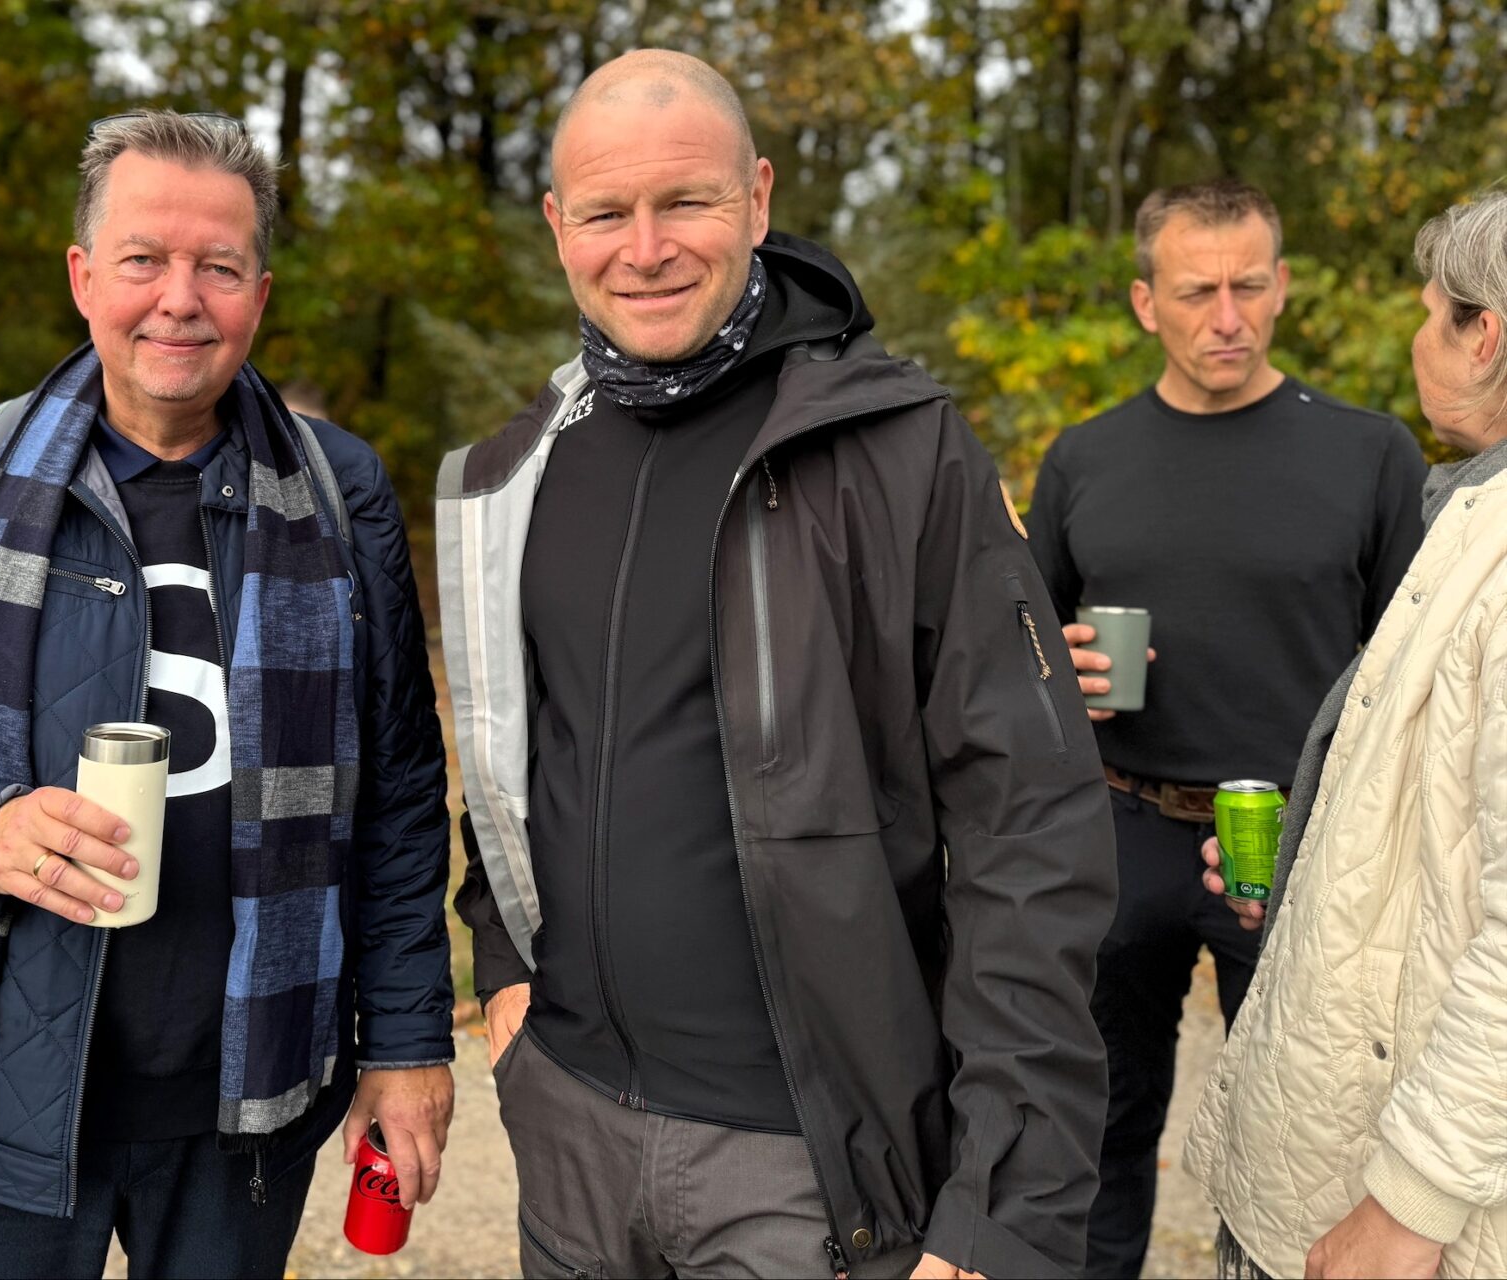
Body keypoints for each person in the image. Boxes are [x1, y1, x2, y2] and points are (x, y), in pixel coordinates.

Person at [437, 50, 1116, 1280]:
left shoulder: (901, 451)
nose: (644, 248)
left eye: (684, 202)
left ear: (756, 197)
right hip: (570, 1124)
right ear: (558, 227)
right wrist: (506, 970)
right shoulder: (513, 471)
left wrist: (1000, 1209)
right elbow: (507, 755)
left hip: (808, 1163)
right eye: (605, 212)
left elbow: (1033, 827)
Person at [0, 110, 455, 1278]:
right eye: (144, 260)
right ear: (84, 276)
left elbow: (395, 795)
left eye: (217, 267)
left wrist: (412, 1037)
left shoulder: (340, 489)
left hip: (254, 1093)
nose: (179, 298)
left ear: (258, 294)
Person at [1024, 178, 1429, 1278]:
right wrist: (1058, 666)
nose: (1228, 317)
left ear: (1284, 286)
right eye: (1197, 290)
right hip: (1122, 824)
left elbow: (1414, 676)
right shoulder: (1083, 457)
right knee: (1100, 1126)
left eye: (1250, 285)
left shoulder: (1371, 452)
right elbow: (1017, 655)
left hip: (1301, 841)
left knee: (1304, 1138)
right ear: (1145, 301)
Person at [1183, 191, 1507, 1279]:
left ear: (1486, 333)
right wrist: (1312, 878)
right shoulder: (1469, 508)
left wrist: (1407, 1206)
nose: (1418, 336)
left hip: (1402, 1213)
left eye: (1430, 311)